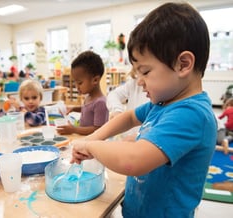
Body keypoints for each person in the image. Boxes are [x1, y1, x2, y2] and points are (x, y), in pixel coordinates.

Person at [70, 3, 217, 218]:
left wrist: (91, 145)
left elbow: (133, 161)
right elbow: (129, 117)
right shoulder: (164, 103)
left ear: (183, 64)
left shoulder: (191, 114)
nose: (139, 82)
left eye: (145, 72)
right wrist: (93, 135)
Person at [56, 50, 109, 135]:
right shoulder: (89, 97)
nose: (77, 86)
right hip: (84, 140)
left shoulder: (101, 103)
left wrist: (74, 130)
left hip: (93, 143)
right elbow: (88, 109)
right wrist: (74, 109)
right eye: (75, 82)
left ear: (95, 80)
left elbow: (98, 129)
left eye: (80, 83)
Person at [106, 67, 148, 139]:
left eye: (145, 72)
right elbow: (113, 95)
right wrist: (117, 110)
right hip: (127, 140)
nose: (139, 82)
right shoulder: (134, 83)